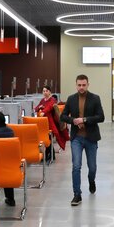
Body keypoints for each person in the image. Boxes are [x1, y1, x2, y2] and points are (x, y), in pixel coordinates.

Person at [60, 74, 105, 206]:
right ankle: (77, 194)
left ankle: (91, 180)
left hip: (91, 137)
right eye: (79, 85)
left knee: (92, 167)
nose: (81, 87)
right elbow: (63, 116)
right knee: (76, 166)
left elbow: (101, 117)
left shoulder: (95, 98)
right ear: (76, 85)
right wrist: (74, 120)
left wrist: (84, 120)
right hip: (76, 138)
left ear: (88, 85)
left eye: (84, 85)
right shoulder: (71, 99)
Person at [35, 85, 69, 155]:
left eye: (46, 91)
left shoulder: (52, 100)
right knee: (45, 137)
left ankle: (50, 154)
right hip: (43, 122)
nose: (45, 92)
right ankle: (49, 154)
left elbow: (49, 107)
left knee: (51, 136)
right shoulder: (42, 100)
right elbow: (36, 108)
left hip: (50, 122)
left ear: (50, 92)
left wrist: (43, 111)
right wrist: (39, 107)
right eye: (43, 91)